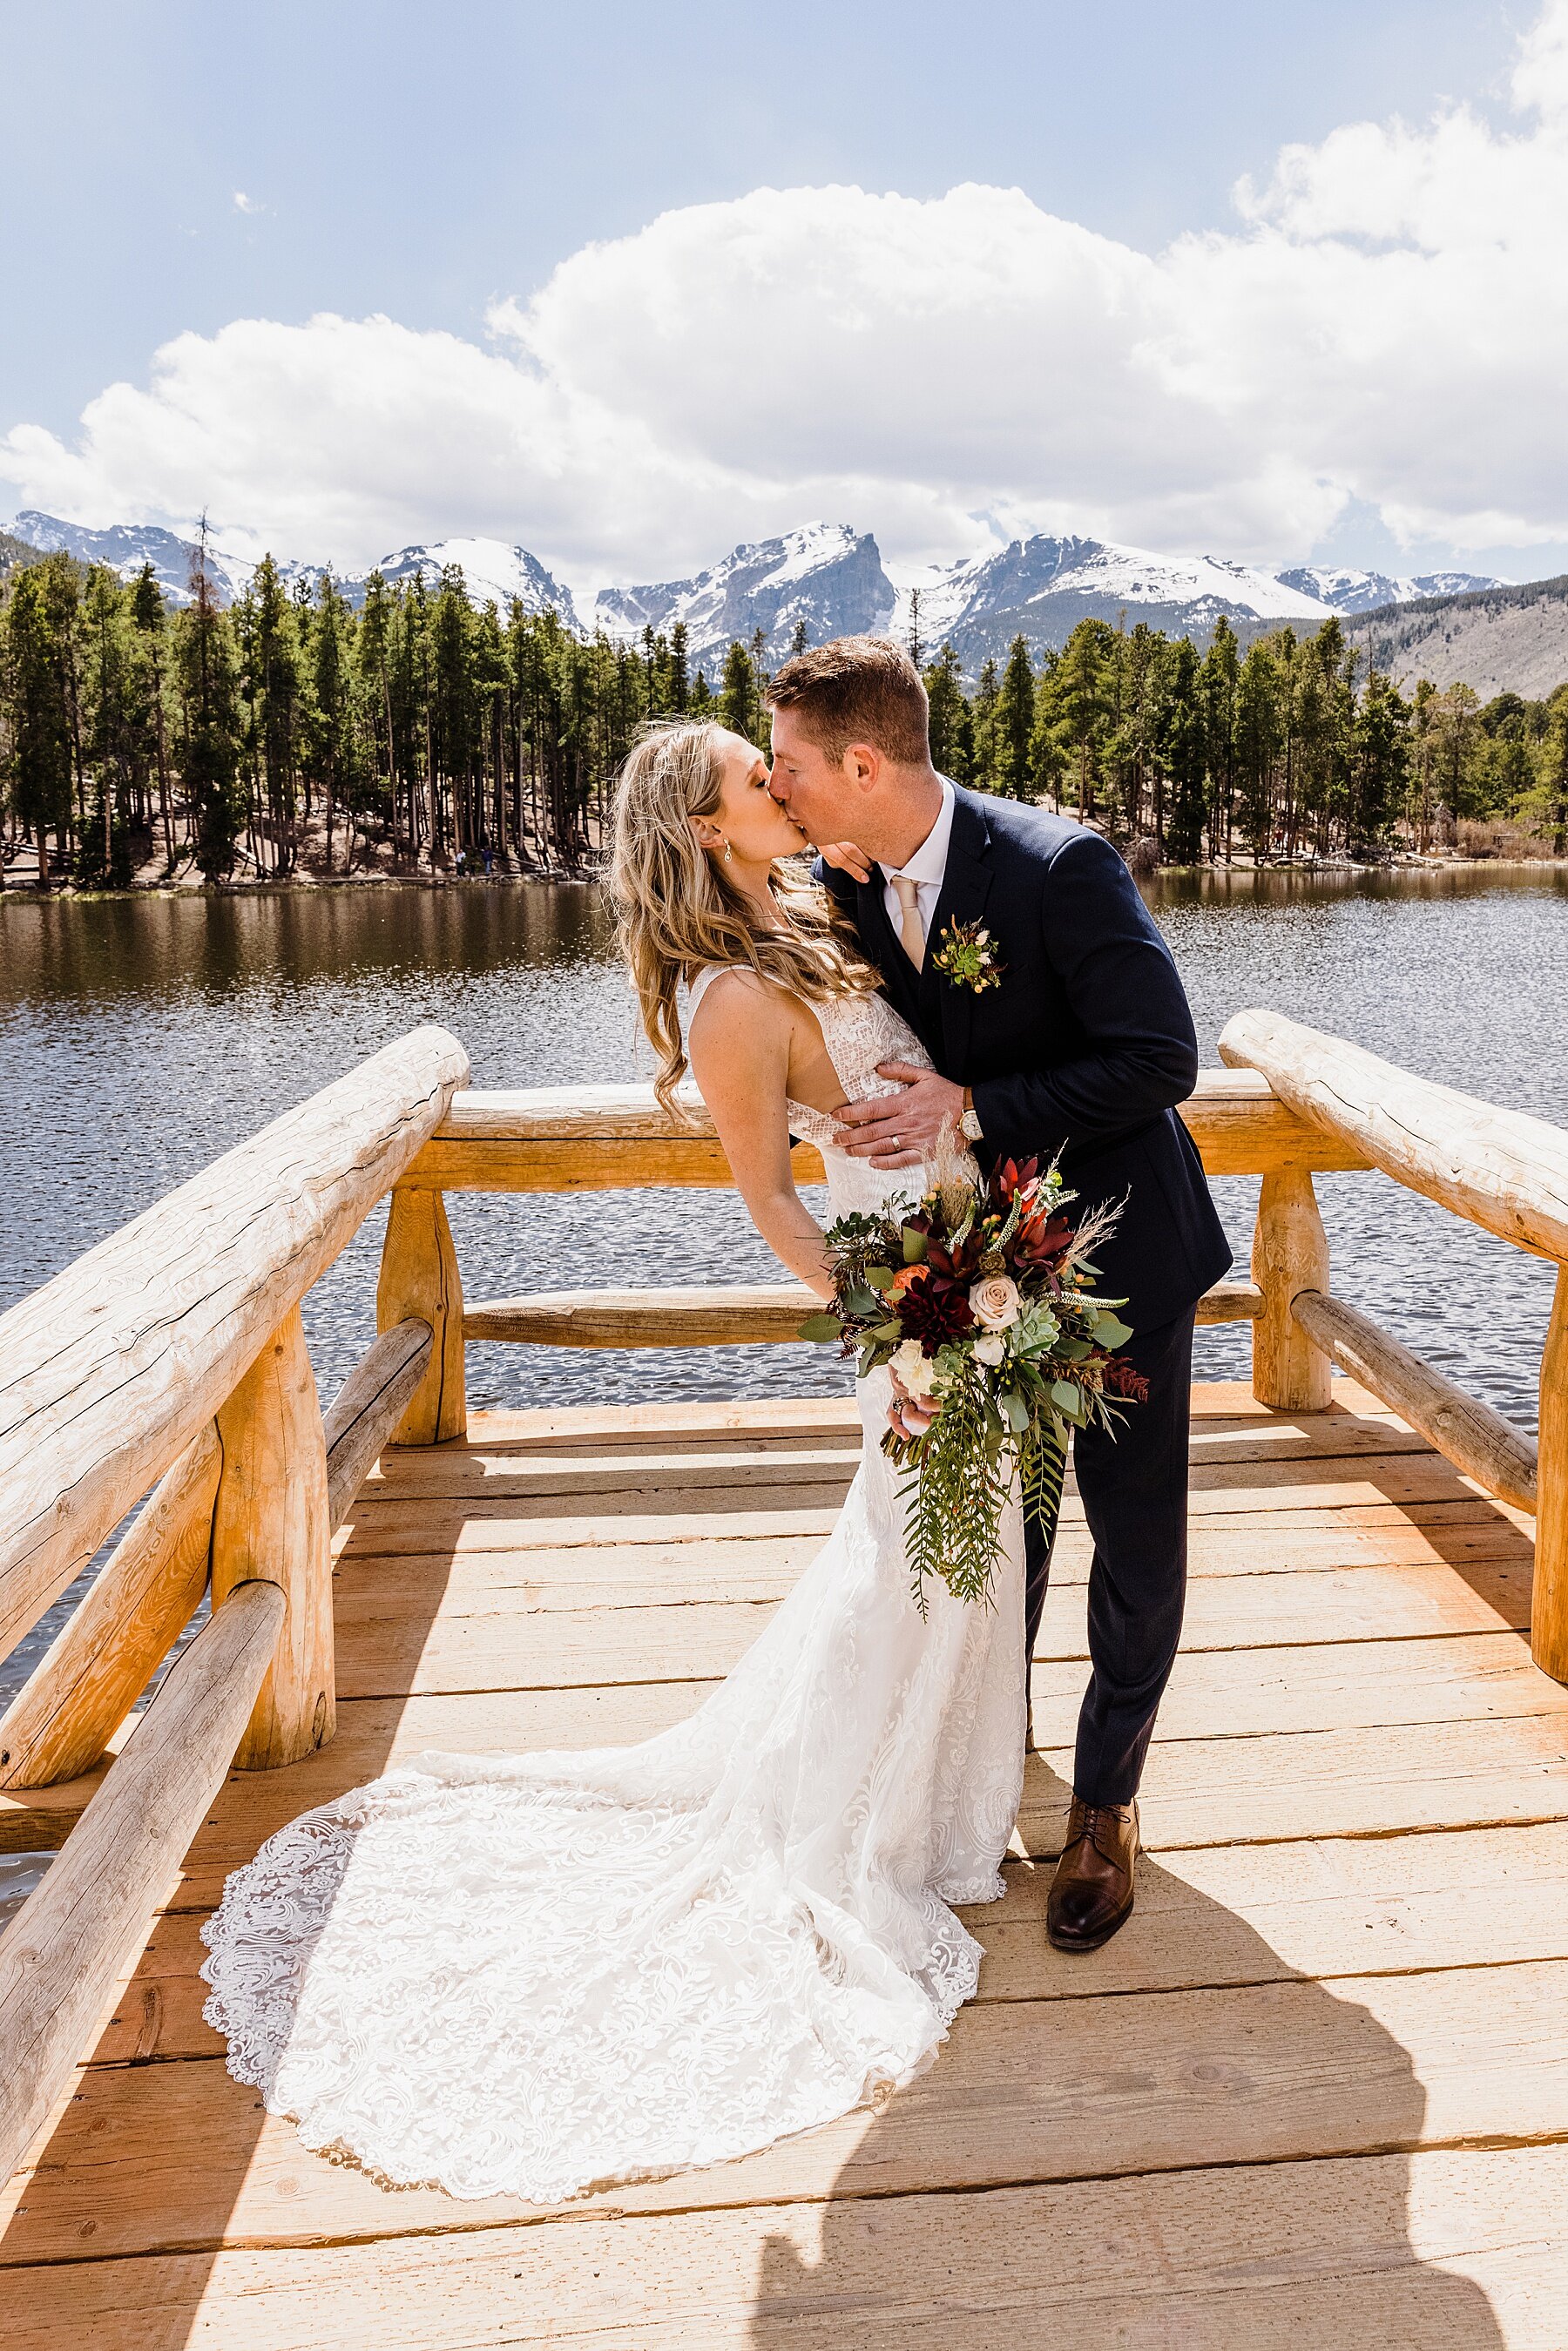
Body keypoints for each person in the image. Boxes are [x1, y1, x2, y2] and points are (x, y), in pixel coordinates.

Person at [199, 715, 1027, 2206]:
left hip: (964, 1265)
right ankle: (880, 1822)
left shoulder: (821, 922)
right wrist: (879, 1325)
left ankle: (940, 1807)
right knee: (921, 1546)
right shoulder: (730, 996)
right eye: (750, 780)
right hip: (910, 1301)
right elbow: (771, 1195)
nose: (777, 788)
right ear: (712, 828)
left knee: (954, 1546)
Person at [766, 636, 1231, 1953]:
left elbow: (1160, 1059)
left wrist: (979, 1103)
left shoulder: (1054, 867)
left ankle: (1106, 1809)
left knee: (1133, 1542)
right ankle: (985, 1767)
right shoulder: (835, 881)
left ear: (864, 763)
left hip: (1123, 1259)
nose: (777, 785)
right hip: (975, 1272)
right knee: (1005, 1533)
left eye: (792, 766)